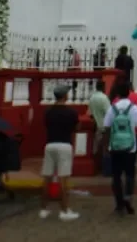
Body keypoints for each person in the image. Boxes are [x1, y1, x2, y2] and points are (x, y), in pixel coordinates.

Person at [103, 79, 137, 216]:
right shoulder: (134, 108)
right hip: (130, 147)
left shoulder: (112, 108)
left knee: (116, 176)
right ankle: (128, 197)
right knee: (130, 174)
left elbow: (107, 128)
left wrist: (106, 146)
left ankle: (119, 203)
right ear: (128, 93)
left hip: (115, 146)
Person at [39, 85, 80, 221]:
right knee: (63, 179)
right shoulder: (71, 112)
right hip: (64, 145)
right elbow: (77, 127)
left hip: (50, 144)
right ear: (65, 96)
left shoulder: (48, 112)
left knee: (47, 178)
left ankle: (44, 209)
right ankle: (64, 210)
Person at [88, 80, 112, 177]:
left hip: (96, 126)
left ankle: (96, 169)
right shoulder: (104, 98)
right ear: (103, 87)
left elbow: (90, 113)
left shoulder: (92, 98)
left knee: (96, 149)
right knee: (106, 149)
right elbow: (109, 112)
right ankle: (106, 171)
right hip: (105, 126)